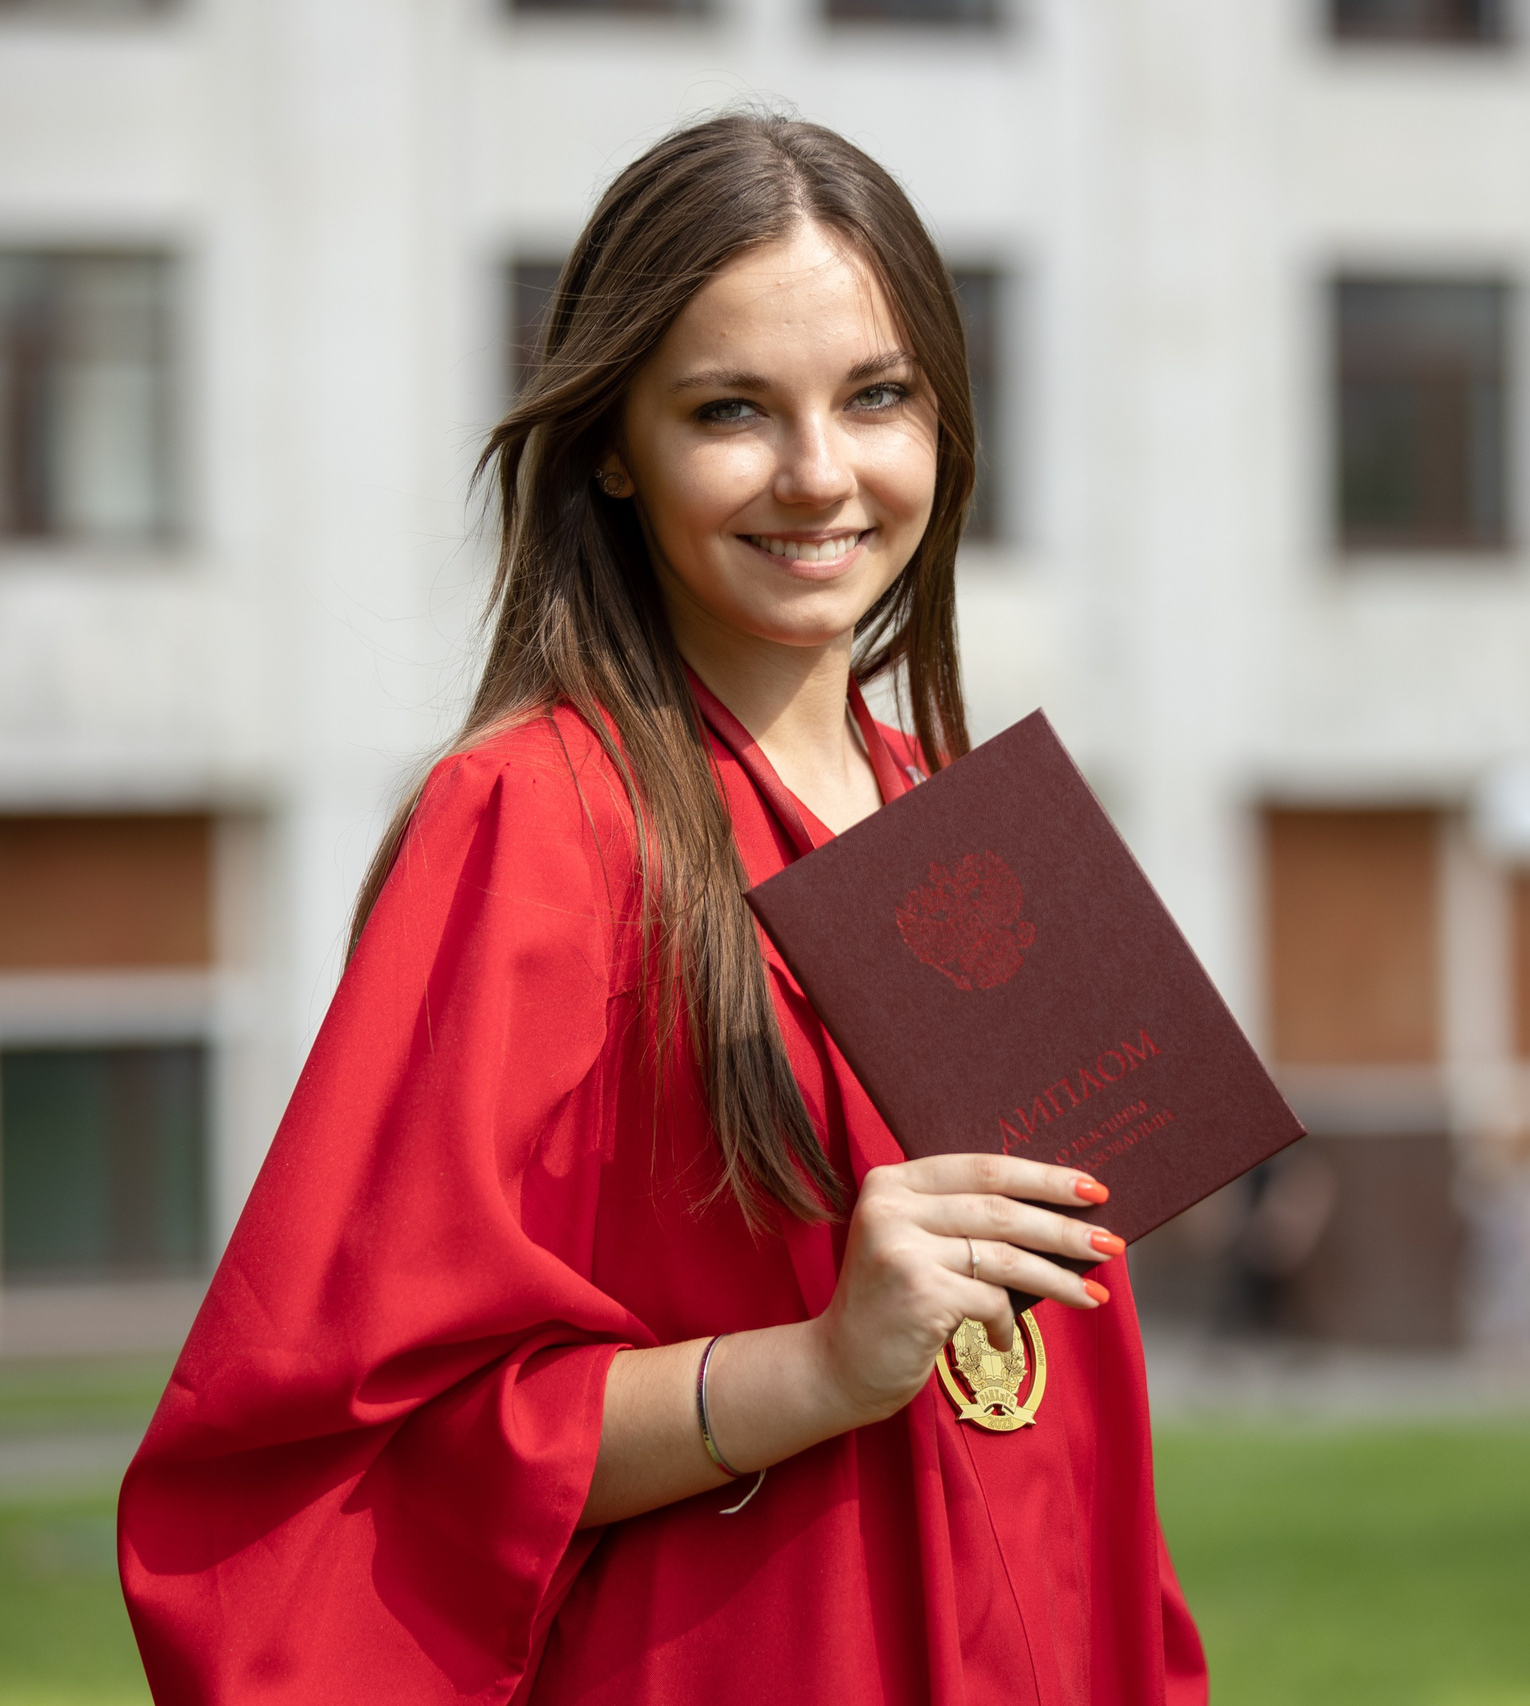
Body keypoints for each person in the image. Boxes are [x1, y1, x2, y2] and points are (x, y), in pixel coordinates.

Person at [117, 114, 1209, 1706]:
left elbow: (1075, 1420)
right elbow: (363, 1456)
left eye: (877, 396)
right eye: (730, 411)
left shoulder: (976, 834)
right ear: (615, 442)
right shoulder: (534, 826)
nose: (820, 473)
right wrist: (823, 1364)